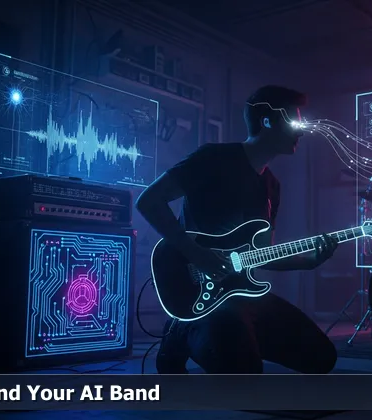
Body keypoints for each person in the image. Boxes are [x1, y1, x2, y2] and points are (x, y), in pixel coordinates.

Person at [136, 85, 339, 373]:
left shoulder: (272, 187)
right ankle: (181, 330)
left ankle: (238, 337)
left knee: (322, 358)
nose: (301, 131)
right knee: (245, 374)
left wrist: (309, 262)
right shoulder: (213, 159)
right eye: (294, 122)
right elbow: (149, 201)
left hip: (242, 293)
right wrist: (196, 253)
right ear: (267, 121)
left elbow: (263, 254)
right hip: (202, 295)